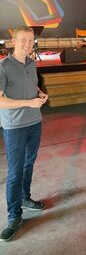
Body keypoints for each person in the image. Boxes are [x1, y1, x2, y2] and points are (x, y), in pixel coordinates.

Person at [0, 26, 48, 241]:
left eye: (31, 40)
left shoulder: (31, 63)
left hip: (35, 122)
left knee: (29, 163)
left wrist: (39, 94)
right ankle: (14, 216)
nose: (28, 45)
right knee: (15, 172)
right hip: (15, 126)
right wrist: (28, 103)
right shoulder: (3, 66)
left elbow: (32, 87)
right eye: (23, 40)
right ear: (13, 41)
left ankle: (25, 198)